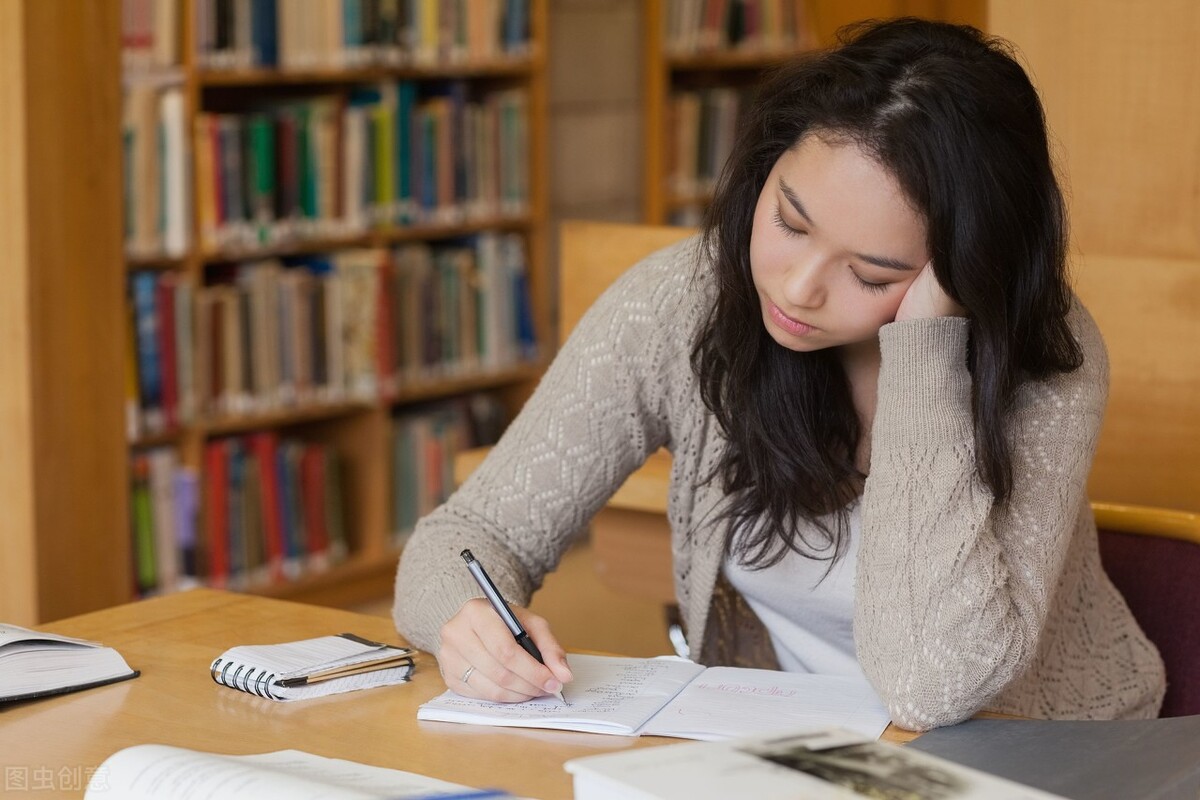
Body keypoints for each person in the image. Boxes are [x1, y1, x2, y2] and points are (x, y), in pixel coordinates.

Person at [393, 17, 1166, 730]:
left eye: (870, 273)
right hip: (799, 751)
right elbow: (470, 534)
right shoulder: (682, 302)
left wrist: (928, 355)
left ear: (967, 272)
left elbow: (936, 687)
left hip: (1037, 754)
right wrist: (468, 619)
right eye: (791, 222)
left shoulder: (1042, 355)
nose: (797, 289)